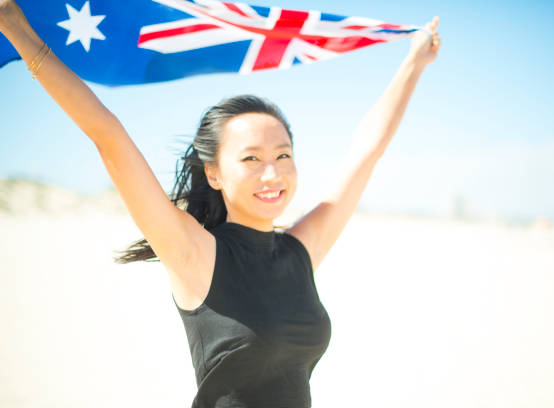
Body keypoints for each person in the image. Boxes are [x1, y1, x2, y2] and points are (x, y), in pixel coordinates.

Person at [0, 0, 441, 406]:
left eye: (283, 155)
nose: (273, 173)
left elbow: (367, 151)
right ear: (214, 173)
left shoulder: (299, 252)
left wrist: (413, 65)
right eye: (251, 158)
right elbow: (108, 136)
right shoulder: (194, 252)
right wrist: (17, 29)